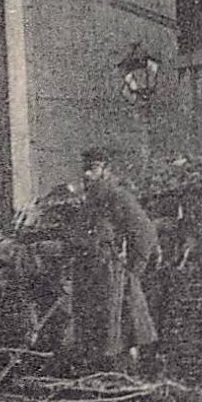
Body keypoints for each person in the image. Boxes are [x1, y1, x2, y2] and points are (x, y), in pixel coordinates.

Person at [72, 147, 160, 372]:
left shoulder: (116, 196)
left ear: (106, 170)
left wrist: (133, 270)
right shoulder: (90, 200)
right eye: (85, 170)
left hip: (111, 274)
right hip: (90, 273)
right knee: (93, 329)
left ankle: (124, 377)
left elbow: (145, 232)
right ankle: (100, 377)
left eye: (93, 169)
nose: (87, 175)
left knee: (118, 329)